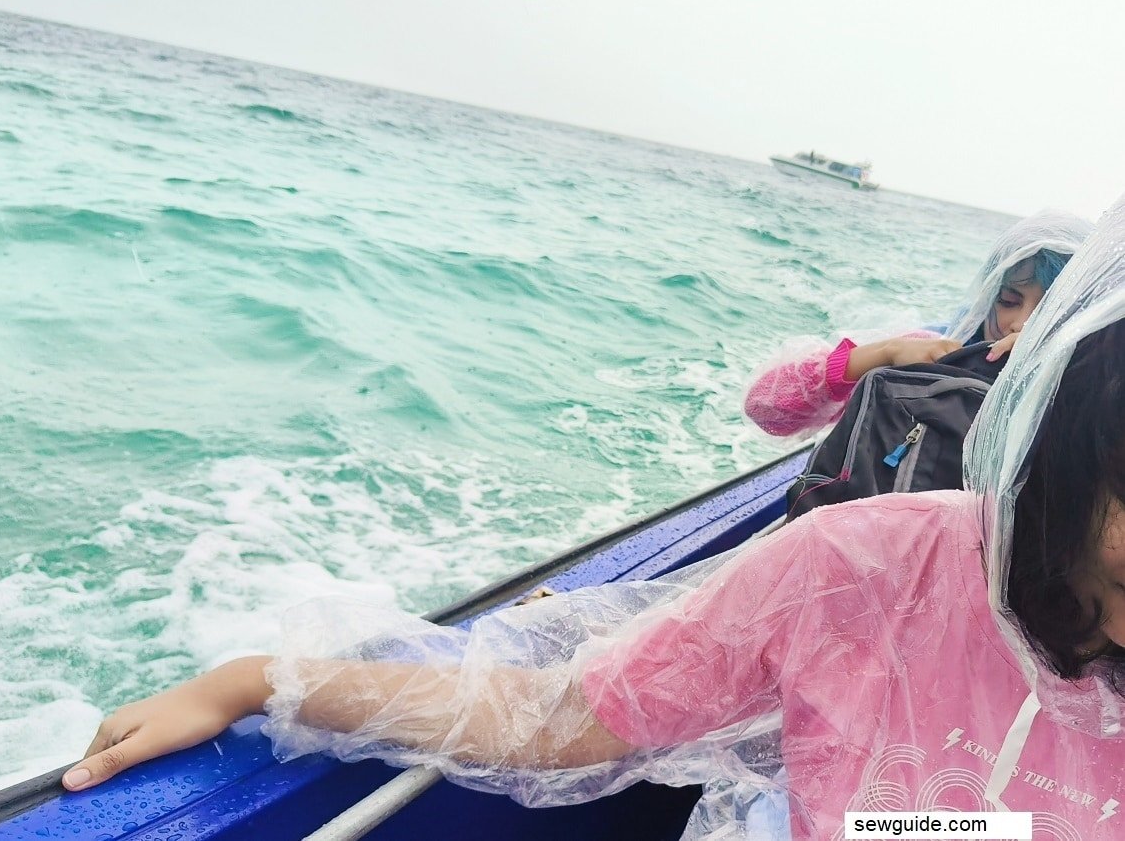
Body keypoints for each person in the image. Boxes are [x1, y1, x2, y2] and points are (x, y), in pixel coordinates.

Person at [64, 198, 1125, 840]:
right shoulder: (872, 558)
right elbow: (556, 720)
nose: (1018, 323)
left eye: (1047, 302)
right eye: (1012, 296)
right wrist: (264, 680)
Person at [742, 209, 1091, 437]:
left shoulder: (1090, 384)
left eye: (1050, 311)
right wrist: (884, 354)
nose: (1022, 324)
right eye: (1009, 301)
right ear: (987, 298)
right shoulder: (930, 351)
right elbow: (766, 409)